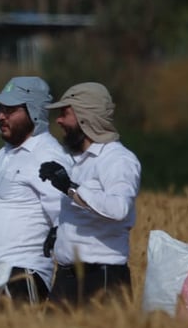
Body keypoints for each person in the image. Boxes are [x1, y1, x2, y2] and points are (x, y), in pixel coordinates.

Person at [0, 77, 67, 304]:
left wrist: (60, 233)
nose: (0, 116)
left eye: (10, 110)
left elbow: (64, 215)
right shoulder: (3, 155)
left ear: (34, 111)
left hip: (20, 275)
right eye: (0, 108)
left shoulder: (47, 156)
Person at [38, 82, 141, 307]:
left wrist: (70, 188)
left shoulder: (117, 159)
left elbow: (118, 209)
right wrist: (60, 231)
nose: (59, 121)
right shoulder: (80, 161)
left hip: (101, 280)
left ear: (86, 116)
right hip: (66, 278)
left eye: (65, 113)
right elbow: (85, 211)